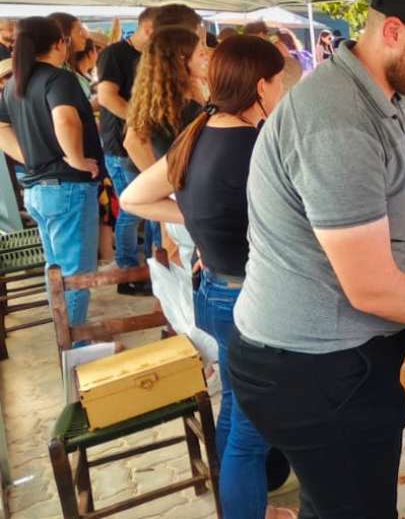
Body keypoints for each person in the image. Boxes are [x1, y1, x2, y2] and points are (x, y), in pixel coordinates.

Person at [227, 0, 405, 517]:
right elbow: (373, 289)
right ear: (394, 30)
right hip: (312, 370)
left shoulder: (386, 94)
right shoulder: (338, 120)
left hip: (345, 358)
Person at [119, 36, 290, 519]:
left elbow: (133, 197)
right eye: (278, 81)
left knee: (236, 409)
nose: (280, 90)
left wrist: (197, 219)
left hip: (214, 291)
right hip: (249, 303)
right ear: (261, 85)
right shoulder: (257, 144)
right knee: (250, 435)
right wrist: (198, 219)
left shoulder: (198, 130)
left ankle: (242, 504)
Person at [0, 17, 102, 326]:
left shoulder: (15, 84)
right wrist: (76, 159)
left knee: (55, 268)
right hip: (66, 187)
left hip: (36, 189)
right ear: (59, 44)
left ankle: (64, 332)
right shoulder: (59, 79)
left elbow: (2, 127)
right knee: (75, 274)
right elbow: (65, 120)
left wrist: (30, 158)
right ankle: (73, 340)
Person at [97, 6, 159, 292]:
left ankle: (153, 267)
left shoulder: (151, 56)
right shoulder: (113, 55)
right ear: (147, 29)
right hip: (121, 146)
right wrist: (139, 122)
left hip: (147, 143)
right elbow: (107, 98)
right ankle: (128, 274)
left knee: (154, 209)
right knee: (132, 209)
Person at [124, 27, 209, 170]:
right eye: (201, 54)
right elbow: (132, 142)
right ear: (181, 61)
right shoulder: (166, 100)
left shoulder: (178, 92)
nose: (206, 57)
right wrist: (159, 187)